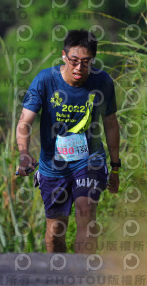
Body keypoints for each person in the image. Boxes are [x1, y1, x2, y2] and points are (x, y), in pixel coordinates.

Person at [16, 29, 121, 254]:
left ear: (93, 59)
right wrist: (24, 152)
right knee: (55, 232)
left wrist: (115, 167)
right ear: (64, 56)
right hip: (53, 165)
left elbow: (111, 124)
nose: (79, 68)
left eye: (86, 62)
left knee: (86, 211)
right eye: (74, 61)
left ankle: (84, 273)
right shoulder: (45, 80)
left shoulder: (102, 82)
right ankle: (59, 272)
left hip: (90, 160)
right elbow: (25, 121)